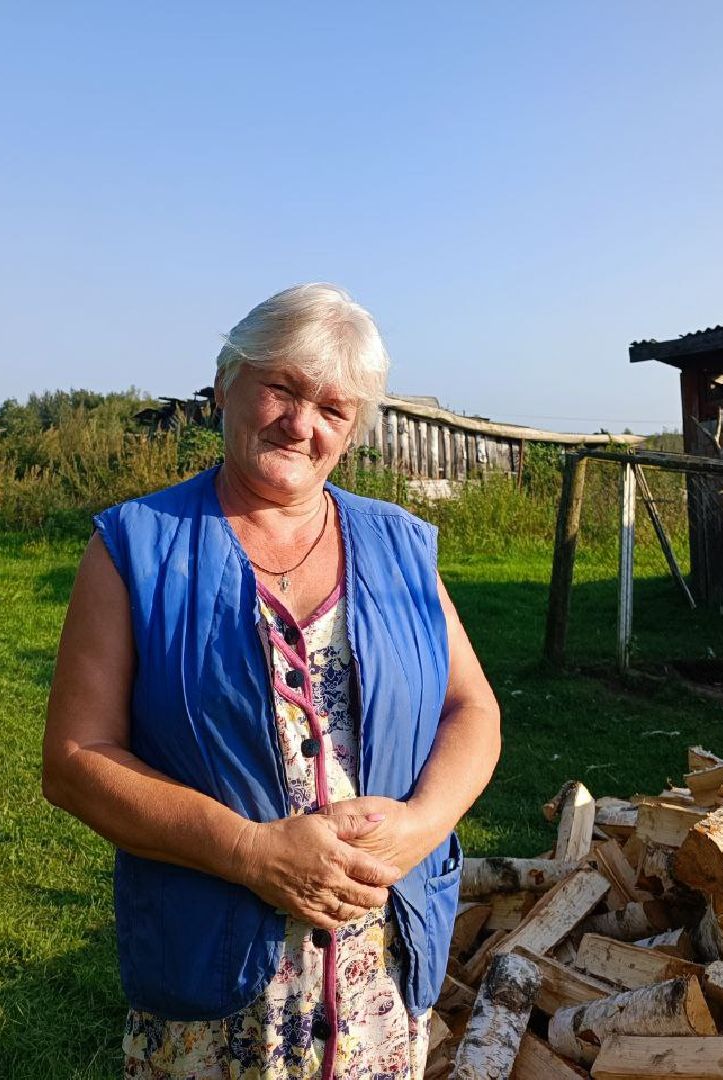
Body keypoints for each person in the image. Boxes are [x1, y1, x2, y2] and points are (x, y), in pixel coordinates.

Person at [42, 283, 501, 1079]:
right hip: (214, 993)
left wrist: (418, 827)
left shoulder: (400, 546)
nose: (301, 423)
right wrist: (251, 853)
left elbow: (473, 709)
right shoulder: (135, 546)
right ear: (226, 384)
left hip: (377, 978)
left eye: (333, 408)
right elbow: (76, 761)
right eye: (281, 388)